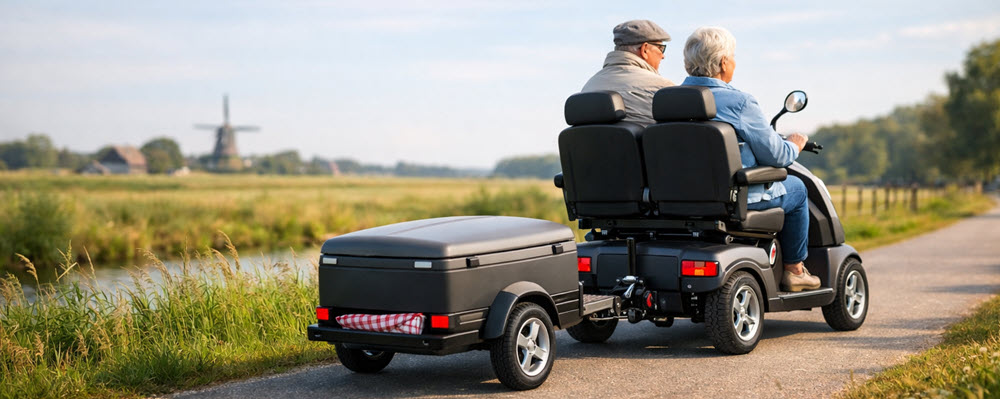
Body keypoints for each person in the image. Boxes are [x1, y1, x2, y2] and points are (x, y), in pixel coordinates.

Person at [680, 26, 819, 292]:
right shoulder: (738, 102)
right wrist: (794, 145)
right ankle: (795, 270)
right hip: (736, 198)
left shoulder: (668, 100)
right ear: (723, 62)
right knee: (798, 189)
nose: (733, 62)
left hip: (679, 199)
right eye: (732, 57)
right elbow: (776, 155)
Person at [581, 19, 676, 127]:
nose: (663, 56)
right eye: (661, 48)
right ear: (645, 49)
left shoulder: (588, 87)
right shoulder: (663, 88)